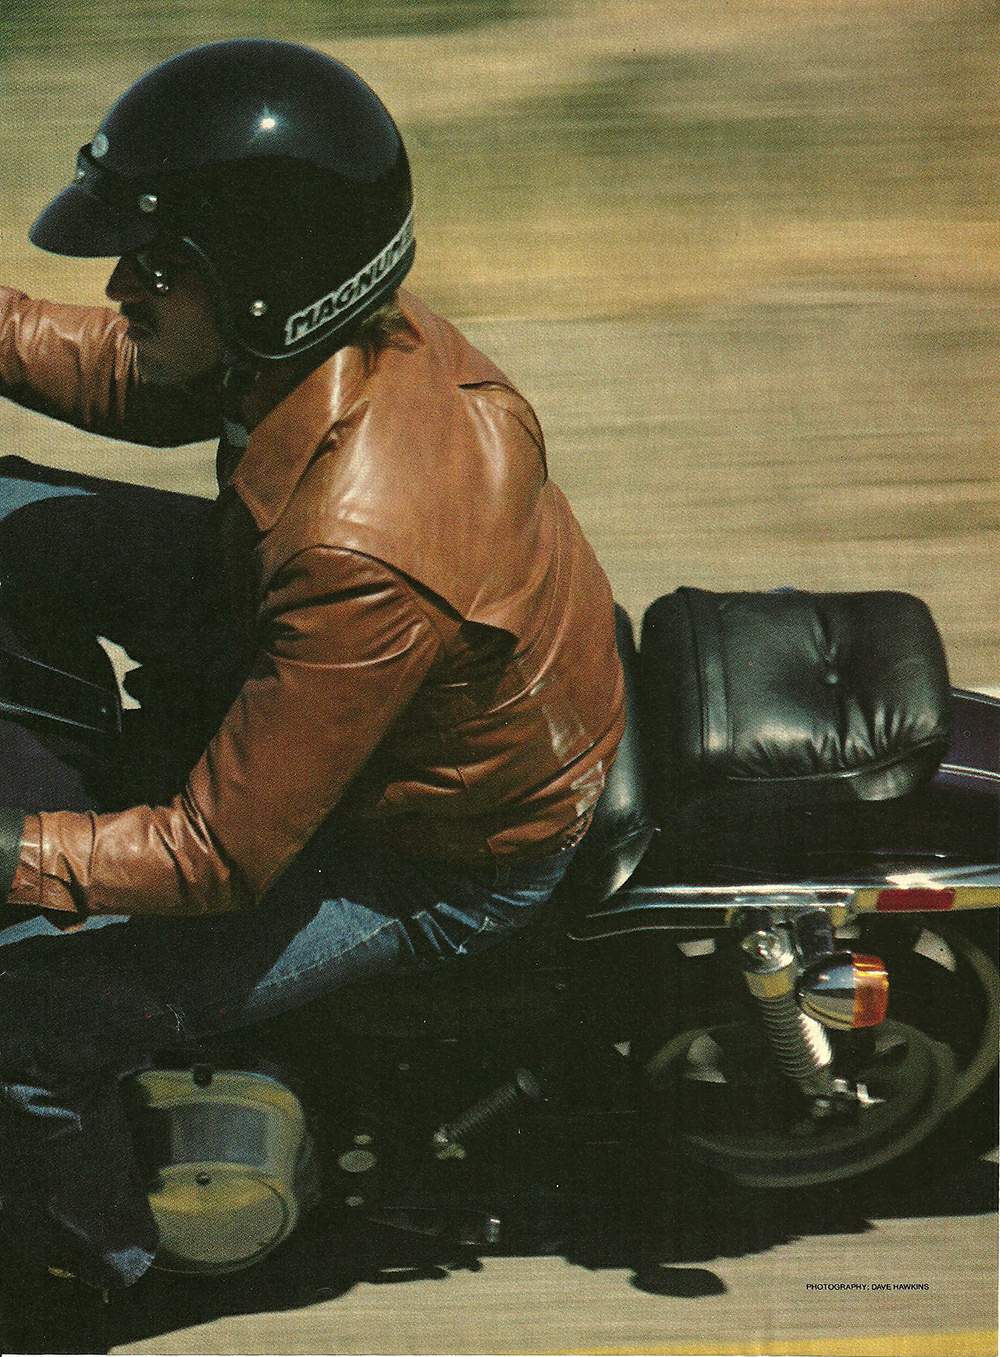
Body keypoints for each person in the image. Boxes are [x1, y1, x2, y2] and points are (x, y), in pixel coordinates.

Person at [0, 38, 625, 1294]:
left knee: (29, 1025)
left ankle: (95, 1265)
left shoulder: (362, 541)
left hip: (435, 853)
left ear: (261, 283)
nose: (120, 284)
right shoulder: (325, 341)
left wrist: (14, 846)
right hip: (291, 611)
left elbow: (214, 856)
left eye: (157, 265)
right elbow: (138, 369)